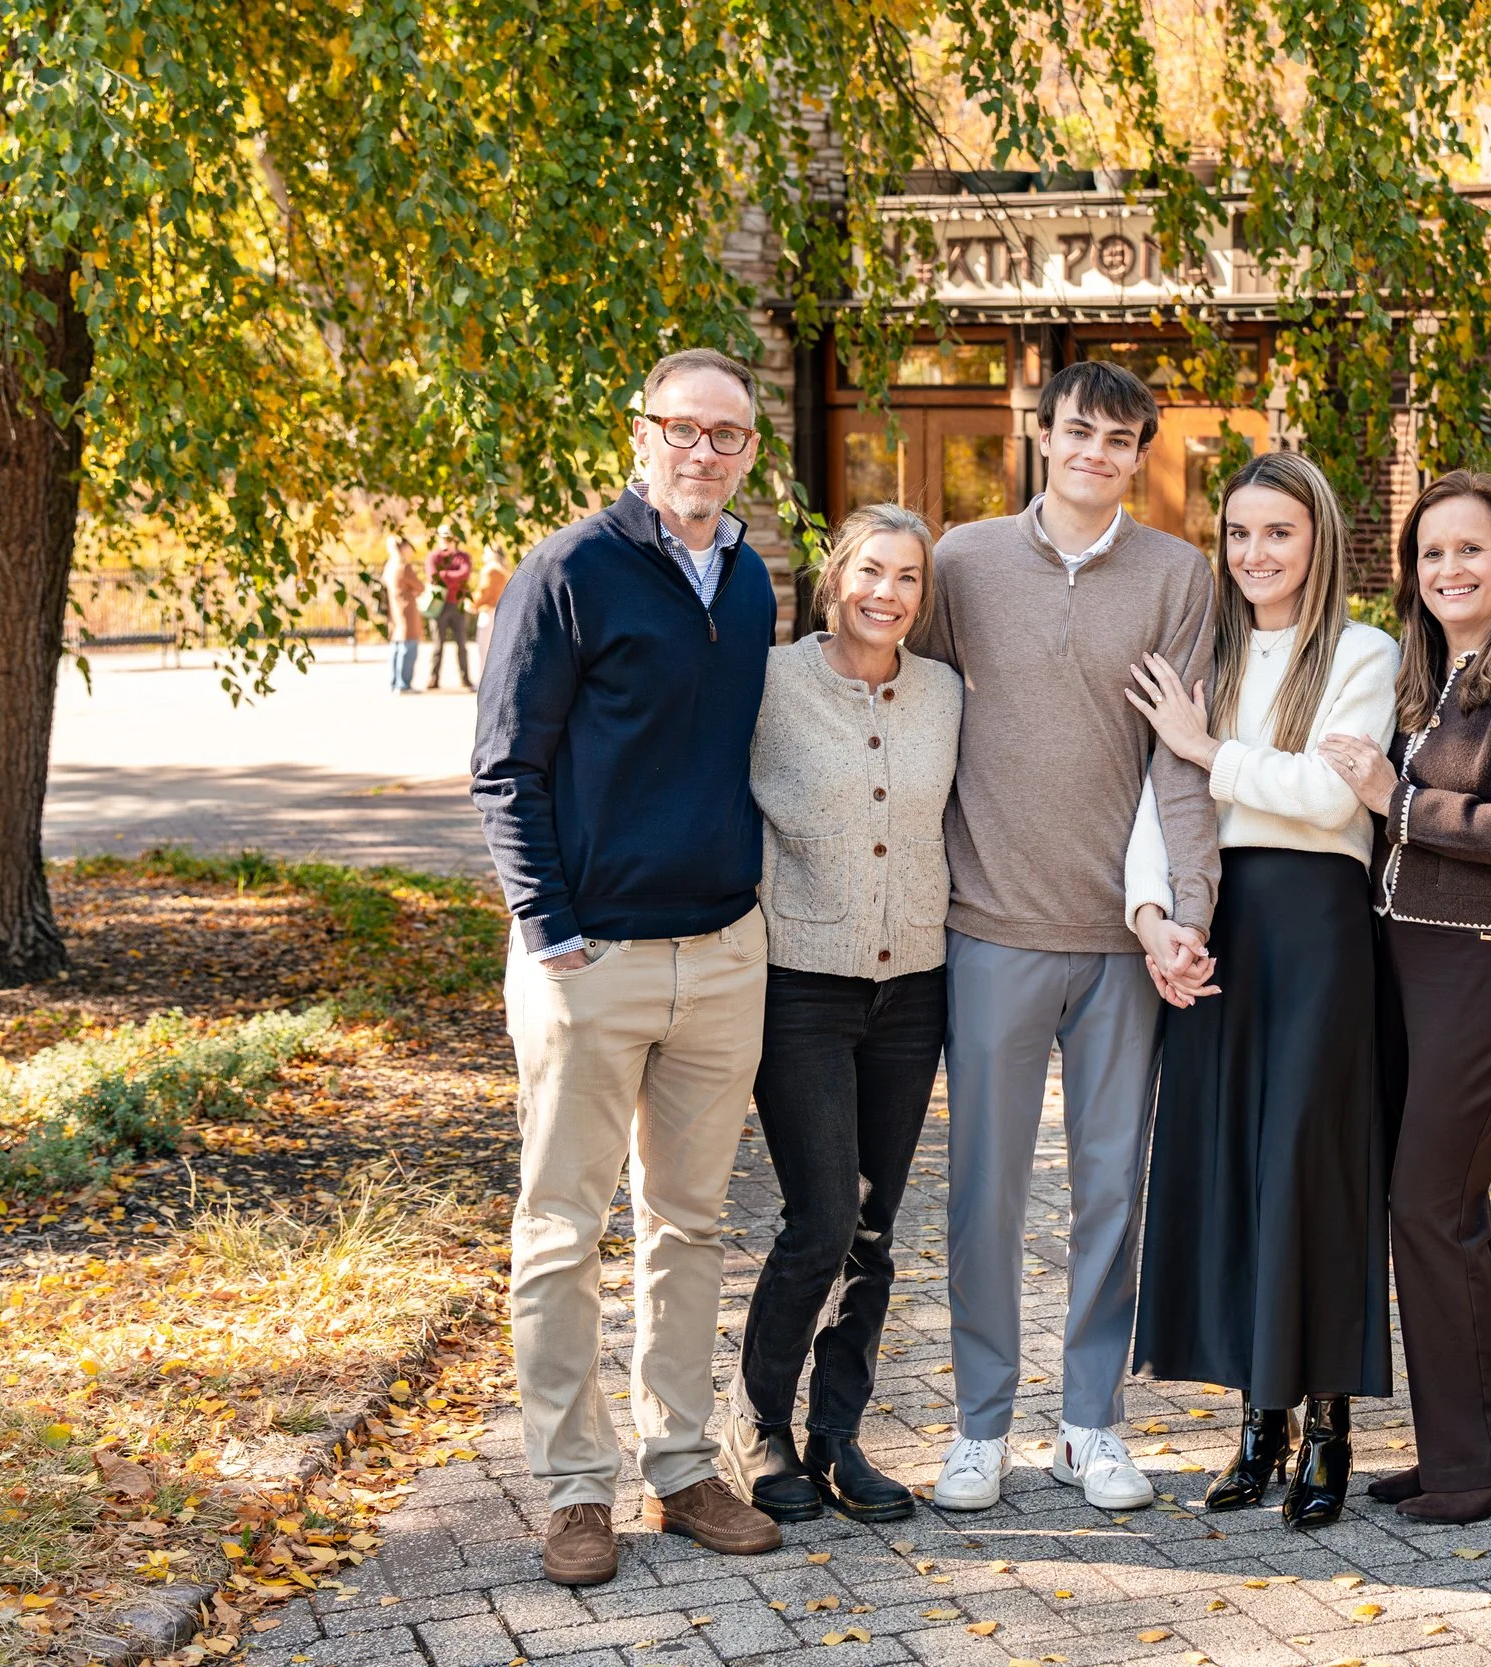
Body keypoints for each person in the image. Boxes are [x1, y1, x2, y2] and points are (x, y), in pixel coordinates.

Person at [471, 347, 783, 1587]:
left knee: (690, 1225)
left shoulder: (750, 580)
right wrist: (549, 929)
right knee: (562, 1229)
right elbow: (505, 766)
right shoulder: (568, 570)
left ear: (749, 450)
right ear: (641, 433)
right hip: (588, 956)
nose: (703, 450)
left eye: (727, 434)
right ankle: (571, 1488)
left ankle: (683, 1464)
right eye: (682, 428)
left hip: (722, 953)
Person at [907, 360, 1220, 1514]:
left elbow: (1181, 759)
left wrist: (1186, 911)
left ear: (1139, 454)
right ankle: (978, 1426)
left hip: (1120, 938)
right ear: (1041, 435)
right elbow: (913, 705)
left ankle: (1090, 1424)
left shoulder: (1177, 574)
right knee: (983, 1191)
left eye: (1120, 438)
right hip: (989, 923)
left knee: (1109, 1188)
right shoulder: (963, 561)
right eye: (1080, 431)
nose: (1097, 452)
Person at [1319, 469, 1491, 1528]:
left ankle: (1487, 1455)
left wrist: (1392, 797)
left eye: (1470, 548)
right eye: (1431, 552)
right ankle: (1475, 1449)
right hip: (1401, 955)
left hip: (1487, 962)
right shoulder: (1427, 669)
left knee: (1430, 1203)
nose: (1449, 569)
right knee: (1431, 1208)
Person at [1120, 451, 1398, 1530]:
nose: (1254, 553)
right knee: (1232, 1165)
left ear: (1317, 537)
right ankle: (1257, 1423)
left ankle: (1327, 1427)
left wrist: (1211, 749)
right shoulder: (1208, 654)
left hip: (1317, 932)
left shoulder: (1362, 651)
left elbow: (1330, 800)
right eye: (1238, 533)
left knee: (1309, 1167)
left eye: (1277, 531)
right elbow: (1161, 798)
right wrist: (1155, 920)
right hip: (1218, 923)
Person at [719, 505, 960, 1526]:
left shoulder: (944, 691)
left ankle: (838, 1434)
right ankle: (758, 1425)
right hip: (801, 984)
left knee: (873, 1226)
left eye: (907, 578)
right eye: (871, 570)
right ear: (836, 576)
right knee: (819, 1218)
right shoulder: (773, 681)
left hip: (914, 989)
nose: (886, 593)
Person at [427, 531, 476, 689]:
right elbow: (433, 577)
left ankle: (465, 678)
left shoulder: (463, 557)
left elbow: (465, 574)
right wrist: (454, 577)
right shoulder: (433, 557)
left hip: (457, 604)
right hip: (439, 606)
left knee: (461, 643)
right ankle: (434, 678)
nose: (446, 542)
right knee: (437, 644)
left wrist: (444, 575)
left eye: (449, 538)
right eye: (443, 538)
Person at [381, 534, 424, 694]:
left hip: (394, 610)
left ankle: (395, 682)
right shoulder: (404, 567)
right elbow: (420, 586)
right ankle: (404, 684)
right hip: (407, 611)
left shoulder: (389, 566)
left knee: (397, 646)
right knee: (408, 647)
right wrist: (413, 591)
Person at [473, 545, 512, 671]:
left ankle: (482, 679)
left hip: (489, 612)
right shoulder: (505, 570)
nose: (484, 555)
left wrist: (473, 604)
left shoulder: (492, 570)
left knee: (484, 650)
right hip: (501, 612)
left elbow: (484, 592)